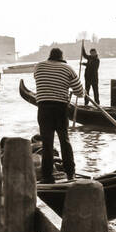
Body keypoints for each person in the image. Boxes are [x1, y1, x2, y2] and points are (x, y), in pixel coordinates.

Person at [32, 47, 80, 183]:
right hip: (60, 109)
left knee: (47, 143)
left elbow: (38, 78)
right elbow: (80, 91)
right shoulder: (67, 68)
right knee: (64, 140)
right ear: (61, 57)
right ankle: (70, 173)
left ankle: (47, 176)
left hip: (43, 108)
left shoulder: (38, 67)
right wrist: (69, 85)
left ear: (50, 56)